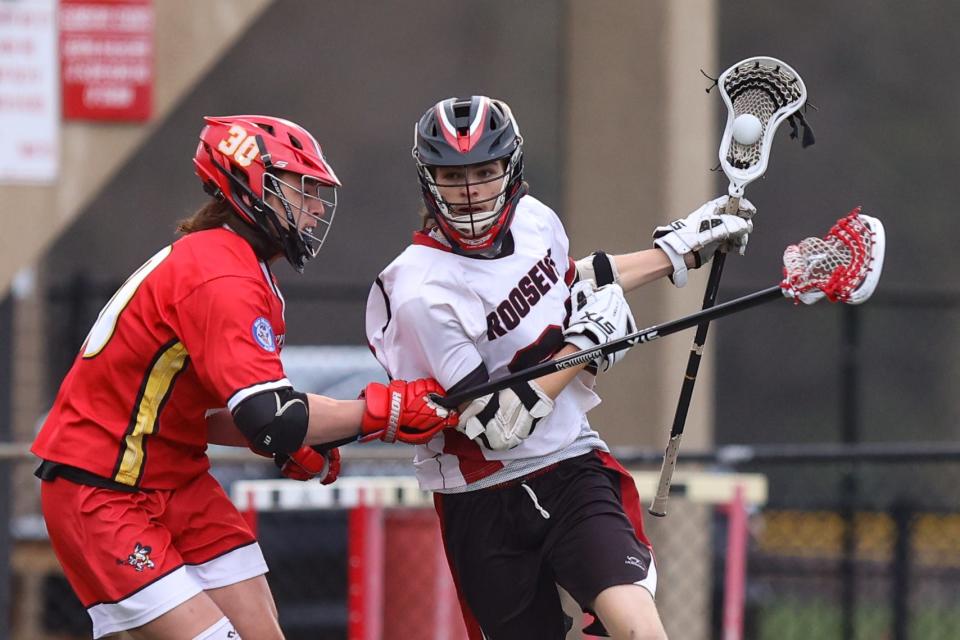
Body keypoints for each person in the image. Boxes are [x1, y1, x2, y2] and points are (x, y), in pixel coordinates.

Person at [31, 114, 458, 640]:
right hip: (103, 489)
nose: (317, 207)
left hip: (174, 480)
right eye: (302, 190)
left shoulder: (236, 265)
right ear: (253, 185)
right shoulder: (221, 274)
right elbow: (270, 416)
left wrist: (288, 438)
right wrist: (384, 411)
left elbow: (212, 415)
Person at [365, 96, 754, 639]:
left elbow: (569, 283)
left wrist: (677, 253)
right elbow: (495, 425)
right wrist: (584, 346)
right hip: (482, 498)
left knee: (641, 630)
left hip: (570, 465)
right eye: (453, 175)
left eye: (484, 170)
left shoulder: (535, 221)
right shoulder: (417, 291)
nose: (471, 190)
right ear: (429, 180)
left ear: (511, 167)